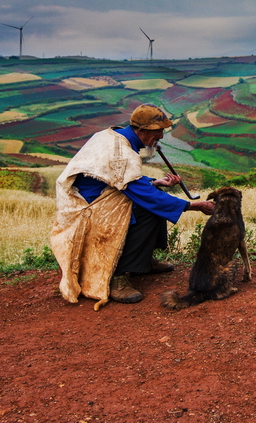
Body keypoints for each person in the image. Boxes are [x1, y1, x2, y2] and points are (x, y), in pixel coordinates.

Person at [50, 104, 214, 309]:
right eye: (158, 131)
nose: (161, 137)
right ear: (142, 131)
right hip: (90, 208)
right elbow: (141, 192)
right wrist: (194, 205)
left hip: (98, 197)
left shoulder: (115, 137)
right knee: (147, 208)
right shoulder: (121, 153)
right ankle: (118, 276)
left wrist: (155, 182)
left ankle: (143, 260)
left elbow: (117, 178)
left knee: (155, 197)